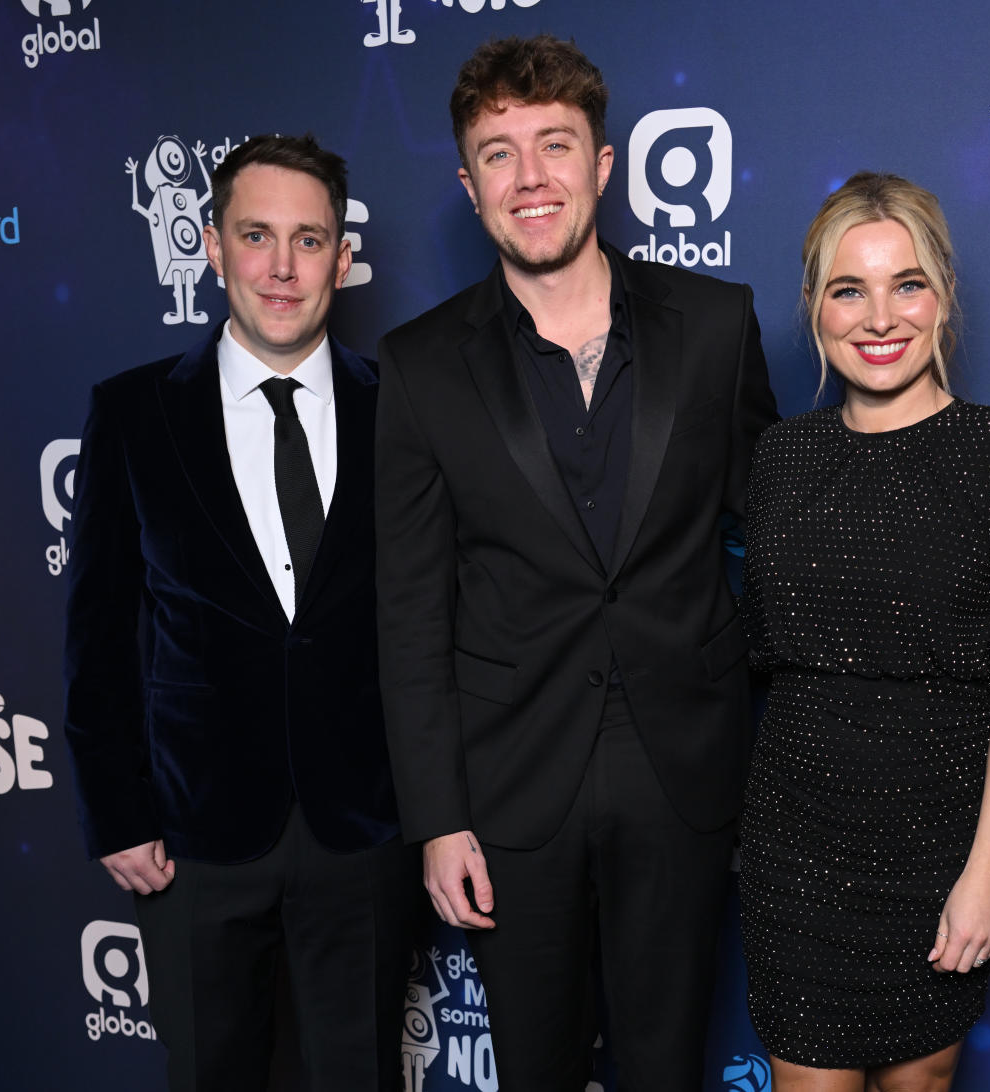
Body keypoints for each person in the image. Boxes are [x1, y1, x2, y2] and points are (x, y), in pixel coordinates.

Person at [374, 35, 777, 1091]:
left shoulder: (716, 326)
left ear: (603, 167)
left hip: (684, 778)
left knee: (664, 1066)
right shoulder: (419, 367)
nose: (532, 177)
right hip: (510, 791)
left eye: (556, 145)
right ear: (470, 187)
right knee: (537, 1070)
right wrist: (438, 819)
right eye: (499, 154)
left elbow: (774, 539)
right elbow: (410, 610)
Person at [64, 134, 413, 1092]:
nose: (282, 267)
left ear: (342, 258)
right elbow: (98, 637)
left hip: (363, 829)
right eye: (256, 235)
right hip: (192, 839)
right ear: (212, 246)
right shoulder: (134, 413)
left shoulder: (405, 412)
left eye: (309, 240)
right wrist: (116, 810)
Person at [739, 172, 990, 1092]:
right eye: (849, 289)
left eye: (908, 284)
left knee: (922, 1084)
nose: (879, 316)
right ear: (814, 306)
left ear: (943, 297)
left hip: (938, 852)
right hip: (794, 852)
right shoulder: (781, 457)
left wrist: (988, 875)